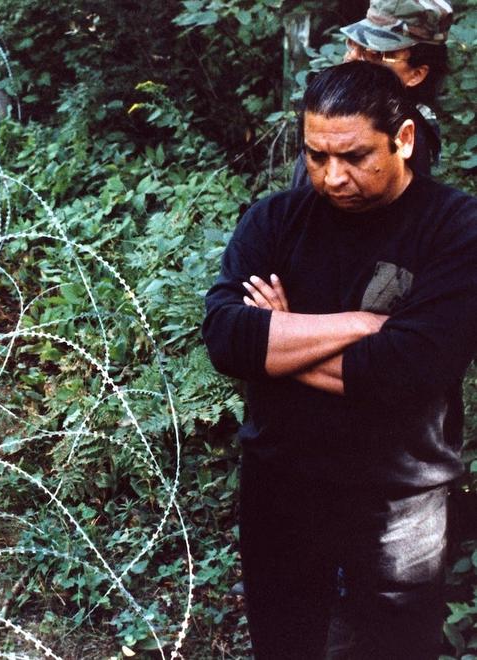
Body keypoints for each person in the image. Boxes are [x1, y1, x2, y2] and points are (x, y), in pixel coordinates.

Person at [203, 61, 477, 658]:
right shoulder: (276, 219)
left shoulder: (456, 228)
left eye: (354, 156)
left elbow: (409, 370)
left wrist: (278, 338)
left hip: (398, 498)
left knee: (398, 648)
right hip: (280, 480)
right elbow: (227, 339)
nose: (332, 177)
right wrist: (359, 325)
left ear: (402, 140)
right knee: (284, 644)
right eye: (316, 155)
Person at [290, 0, 452, 187]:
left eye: (374, 54)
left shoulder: (407, 134)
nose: (352, 57)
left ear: (416, 74)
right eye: (353, 44)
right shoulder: (329, 112)